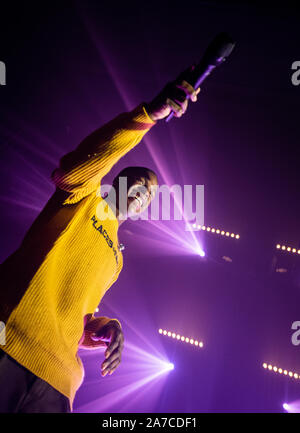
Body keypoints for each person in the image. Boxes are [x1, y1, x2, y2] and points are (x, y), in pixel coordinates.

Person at [0, 70, 200, 413]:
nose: (141, 192)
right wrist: (148, 115)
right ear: (115, 180)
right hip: (9, 341)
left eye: (149, 192)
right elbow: (81, 163)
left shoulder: (116, 260)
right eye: (136, 181)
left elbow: (80, 314)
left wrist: (106, 327)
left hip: (58, 381)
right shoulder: (83, 195)